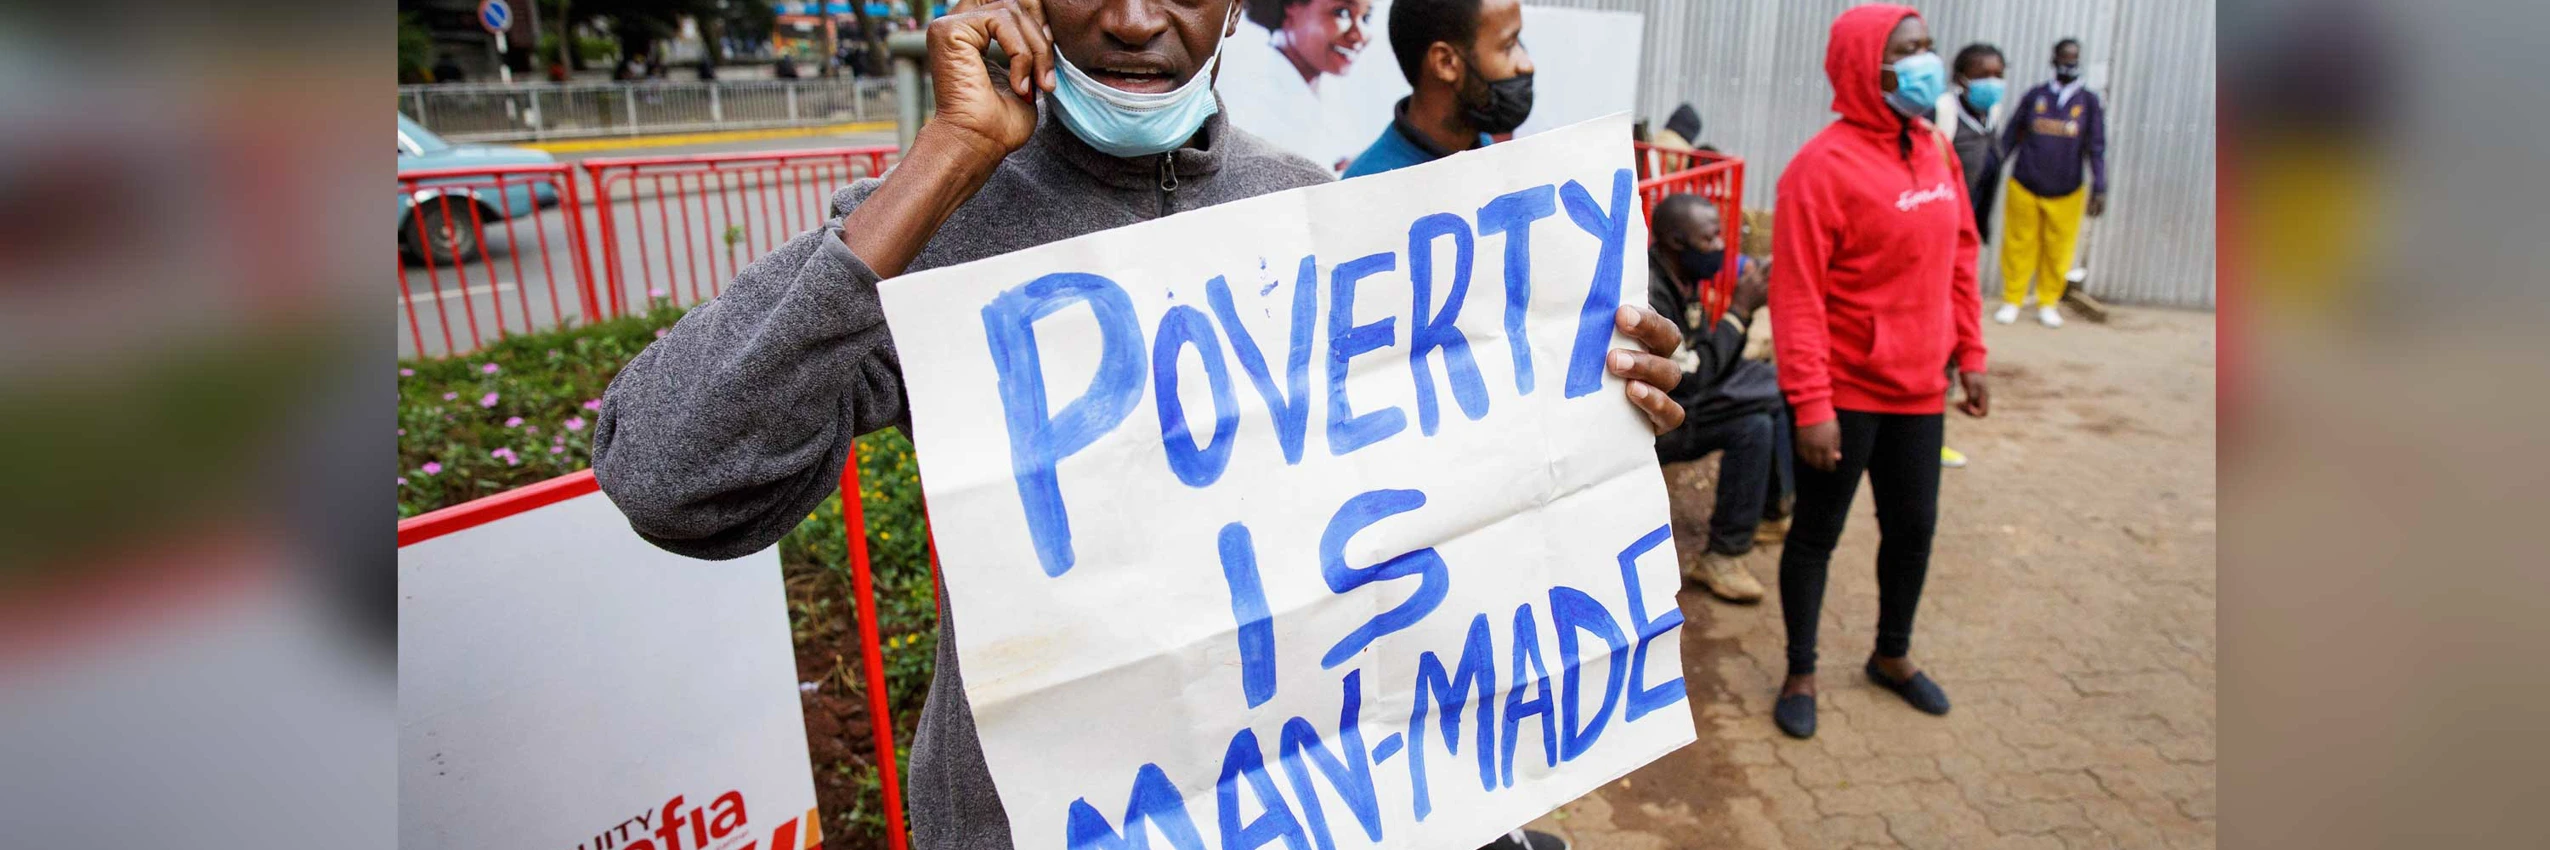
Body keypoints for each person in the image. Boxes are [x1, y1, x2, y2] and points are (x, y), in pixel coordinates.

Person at [590, 1, 1685, 847]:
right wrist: (943, 161)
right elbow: (664, 472)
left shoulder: (1311, 205)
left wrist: (1582, 390)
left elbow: (1429, 507)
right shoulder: (951, 218)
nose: (1127, 17)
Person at [1765, 5, 1990, 740]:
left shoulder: (1934, 148)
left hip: (1921, 389)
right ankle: (1801, 670)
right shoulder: (1819, 169)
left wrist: (1972, 355)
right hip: (1846, 392)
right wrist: (1811, 403)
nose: (1926, 61)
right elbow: (1796, 295)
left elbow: (1962, 255)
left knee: (1914, 529)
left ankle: (1890, 655)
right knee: (1816, 535)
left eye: (1928, 47)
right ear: (1868, 64)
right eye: (1908, 50)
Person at [1647, 195, 1787, 604]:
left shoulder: (1683, 279)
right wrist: (1740, 310)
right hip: (1660, 425)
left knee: (1760, 411)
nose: (1719, 249)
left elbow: (1705, 356)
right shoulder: (1653, 290)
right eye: (1708, 240)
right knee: (1762, 404)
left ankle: (1749, 531)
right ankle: (1733, 548)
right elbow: (1689, 379)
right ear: (1676, 241)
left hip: (1688, 400)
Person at [1338, 0, 1533, 178]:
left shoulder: (1485, 153)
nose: (1526, 64)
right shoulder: (1365, 190)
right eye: (1508, 46)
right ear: (1445, 62)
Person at [1994, 37, 2108, 328]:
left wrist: (2100, 185)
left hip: (2067, 189)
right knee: (2018, 245)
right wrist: (1992, 169)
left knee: (2058, 249)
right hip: (2025, 183)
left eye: (2074, 59)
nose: (2069, 64)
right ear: (2054, 60)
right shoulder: (2035, 96)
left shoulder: (2088, 102)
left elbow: (2096, 147)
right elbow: (2010, 135)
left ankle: (2047, 301)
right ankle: (2012, 299)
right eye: (2064, 58)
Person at [1935, 42, 2005, 471]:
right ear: (1961, 77)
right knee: (1937, 338)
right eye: (1984, 75)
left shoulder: (1989, 117)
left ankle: (1933, 434)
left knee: (1954, 337)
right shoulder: (1939, 119)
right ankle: (1927, 437)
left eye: (1999, 74)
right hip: (1935, 243)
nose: (1993, 84)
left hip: (1962, 238)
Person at [1218, 0, 1372, 171]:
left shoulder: (1330, 94)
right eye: (1342, 13)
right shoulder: (1249, 94)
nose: (1360, 34)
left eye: (1366, 17)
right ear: (1291, 5)